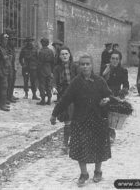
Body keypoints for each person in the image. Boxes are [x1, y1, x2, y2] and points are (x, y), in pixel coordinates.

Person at [50, 53, 113, 186]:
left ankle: (98, 171)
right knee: (80, 146)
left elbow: (109, 95)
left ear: (92, 65)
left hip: (98, 117)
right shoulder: (75, 83)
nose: (85, 66)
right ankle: (84, 174)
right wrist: (54, 114)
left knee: (98, 145)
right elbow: (65, 100)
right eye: (82, 64)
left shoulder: (99, 81)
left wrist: (106, 101)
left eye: (87, 64)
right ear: (79, 66)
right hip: (80, 119)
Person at [52, 46, 79, 154]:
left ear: (69, 55)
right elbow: (54, 80)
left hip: (75, 95)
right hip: (63, 95)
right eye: (62, 54)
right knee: (67, 120)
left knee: (76, 120)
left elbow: (80, 79)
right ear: (59, 56)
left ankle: (74, 143)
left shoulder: (75, 67)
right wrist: (53, 87)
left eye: (66, 54)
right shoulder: (57, 68)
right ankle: (65, 144)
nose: (64, 56)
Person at [100, 50, 129, 142]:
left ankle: (111, 133)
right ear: (110, 59)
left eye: (117, 59)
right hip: (103, 93)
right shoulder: (105, 68)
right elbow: (99, 80)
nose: (115, 61)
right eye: (113, 58)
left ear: (119, 60)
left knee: (111, 115)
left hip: (115, 95)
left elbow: (126, 84)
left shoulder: (123, 71)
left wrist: (123, 91)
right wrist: (104, 73)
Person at [0, 33, 12, 111]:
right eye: (4, 39)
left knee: (4, 87)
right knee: (3, 87)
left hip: (6, 70)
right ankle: (2, 104)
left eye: (7, 40)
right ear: (1, 40)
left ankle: (1, 103)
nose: (6, 41)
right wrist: (0, 72)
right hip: (2, 71)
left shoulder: (6, 48)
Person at [37, 38, 55, 105]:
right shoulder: (51, 51)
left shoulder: (41, 51)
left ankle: (43, 100)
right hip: (49, 69)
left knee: (42, 85)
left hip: (42, 70)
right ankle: (49, 100)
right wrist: (52, 71)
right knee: (48, 85)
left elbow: (40, 62)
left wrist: (38, 70)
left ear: (42, 43)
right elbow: (53, 62)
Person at [6, 29, 19, 102]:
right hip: (8, 68)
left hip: (13, 68)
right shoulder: (7, 48)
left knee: (12, 82)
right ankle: (8, 97)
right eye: (11, 40)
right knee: (9, 83)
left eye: (14, 40)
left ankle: (10, 95)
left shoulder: (12, 48)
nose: (13, 41)